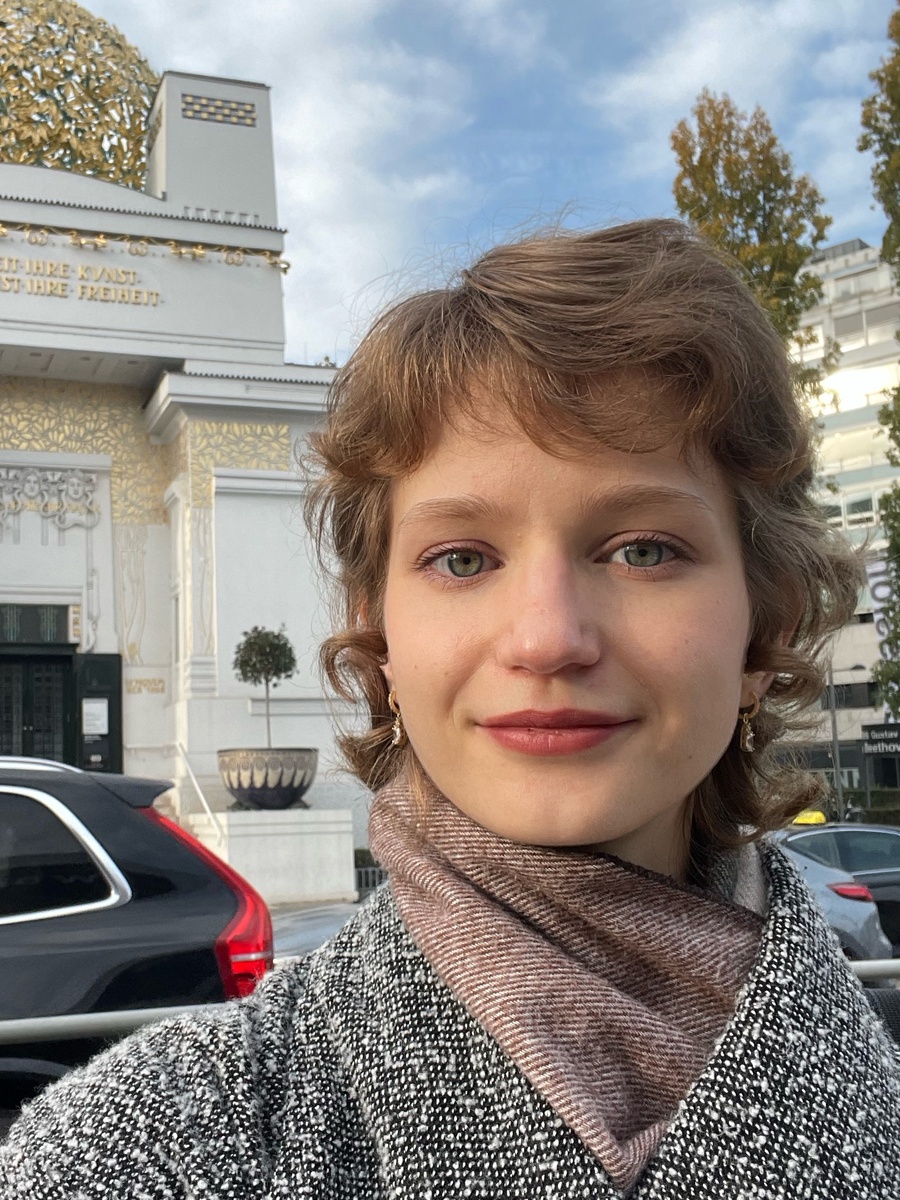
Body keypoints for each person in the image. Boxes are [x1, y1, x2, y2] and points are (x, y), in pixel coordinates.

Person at [4, 218, 899, 1199]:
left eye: (642, 549)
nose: (547, 639)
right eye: (463, 559)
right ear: (377, 631)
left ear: (764, 621)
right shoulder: (140, 1150)